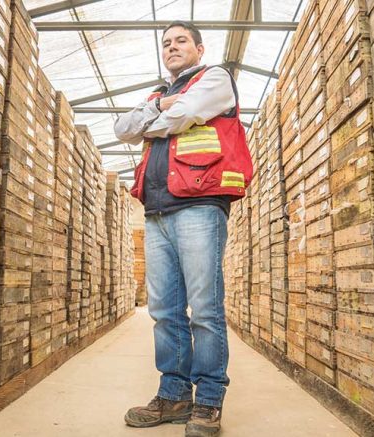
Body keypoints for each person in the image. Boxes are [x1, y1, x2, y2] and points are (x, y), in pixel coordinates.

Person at [113, 20, 253, 437]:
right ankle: (173, 394)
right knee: (164, 312)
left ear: (199, 47)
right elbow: (123, 130)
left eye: (181, 41)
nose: (172, 48)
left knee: (205, 309)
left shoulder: (216, 78)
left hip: (199, 206)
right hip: (156, 210)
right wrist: (161, 109)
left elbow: (185, 116)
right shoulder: (159, 94)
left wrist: (157, 118)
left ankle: (208, 400)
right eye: (166, 43)